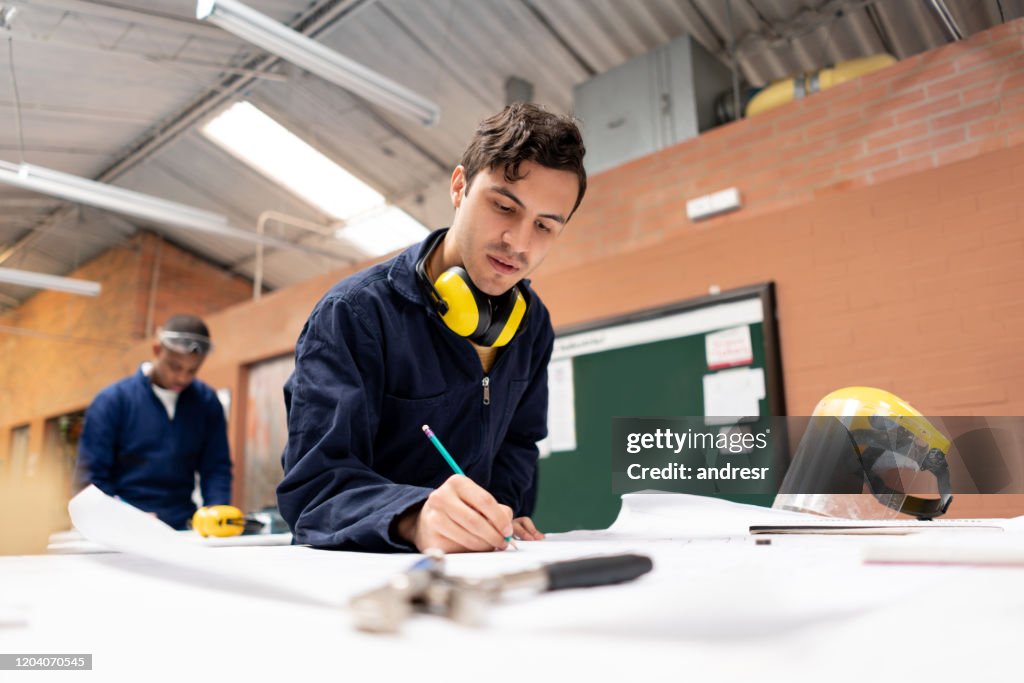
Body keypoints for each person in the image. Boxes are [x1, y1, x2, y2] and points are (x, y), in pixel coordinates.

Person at [278, 103, 587, 553]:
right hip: (367, 574)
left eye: (544, 226)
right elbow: (314, 490)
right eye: (504, 206)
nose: (519, 242)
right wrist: (412, 518)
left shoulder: (532, 323)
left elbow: (519, 443)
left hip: (477, 568)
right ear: (460, 186)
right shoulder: (356, 314)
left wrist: (499, 511)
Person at [75, 314, 233, 529]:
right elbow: (91, 478)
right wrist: (122, 517)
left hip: (181, 527)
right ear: (157, 349)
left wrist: (216, 515)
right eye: (175, 367)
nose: (182, 378)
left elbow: (216, 468)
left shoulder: (206, 403)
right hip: (120, 526)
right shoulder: (113, 401)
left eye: (192, 371)